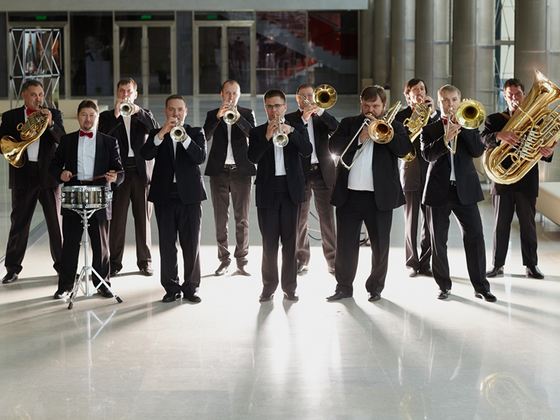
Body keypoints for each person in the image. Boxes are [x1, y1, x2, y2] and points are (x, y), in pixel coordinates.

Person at [326, 85, 411, 302]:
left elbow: (404, 150)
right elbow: (333, 147)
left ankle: (375, 287)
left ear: (384, 105)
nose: (370, 110)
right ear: (361, 104)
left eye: (375, 106)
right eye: (366, 105)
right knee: (345, 245)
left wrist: (385, 133)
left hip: (379, 198)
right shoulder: (349, 124)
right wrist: (360, 138)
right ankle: (343, 287)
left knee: (380, 246)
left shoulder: (395, 126)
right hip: (349, 196)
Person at [420, 84, 496, 302]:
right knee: (438, 240)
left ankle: (481, 287)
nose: (450, 104)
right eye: (445, 100)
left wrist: (464, 129)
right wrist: (445, 139)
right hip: (438, 190)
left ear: (460, 102)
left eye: (454, 100)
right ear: (439, 102)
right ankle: (443, 286)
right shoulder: (430, 129)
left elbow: (478, 151)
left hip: (465, 191)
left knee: (475, 236)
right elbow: (427, 155)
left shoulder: (469, 125)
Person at [481, 78, 556, 279]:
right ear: (505, 96)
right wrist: (499, 136)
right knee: (500, 225)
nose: (514, 98)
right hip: (502, 180)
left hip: (526, 180)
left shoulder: (537, 119)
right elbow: (482, 139)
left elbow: (545, 150)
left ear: (524, 95)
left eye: (518, 94)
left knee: (528, 225)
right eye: (510, 95)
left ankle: (531, 265)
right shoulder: (495, 120)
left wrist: (548, 152)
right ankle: (497, 265)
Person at [49, 100, 123, 299]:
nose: (88, 119)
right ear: (78, 117)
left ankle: (102, 284)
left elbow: (120, 171)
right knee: (70, 244)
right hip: (74, 195)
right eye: (84, 114)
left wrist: (114, 178)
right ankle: (65, 286)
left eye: (92, 115)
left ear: (97, 117)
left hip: (99, 195)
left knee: (101, 245)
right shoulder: (67, 140)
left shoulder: (109, 142)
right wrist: (61, 174)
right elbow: (54, 166)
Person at [140, 95, 207, 303]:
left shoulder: (196, 132)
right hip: (165, 197)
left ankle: (191, 287)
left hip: (190, 197)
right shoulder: (156, 134)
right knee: (167, 245)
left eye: (179, 110)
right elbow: (146, 154)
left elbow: (200, 157)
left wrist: (184, 138)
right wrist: (162, 133)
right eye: (172, 109)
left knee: (191, 244)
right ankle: (171, 287)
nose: (176, 113)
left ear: (186, 112)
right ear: (165, 111)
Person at [248, 89, 312, 302]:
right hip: (268, 191)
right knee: (269, 244)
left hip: (291, 191)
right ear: (265, 108)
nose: (274, 110)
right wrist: (267, 136)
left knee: (291, 243)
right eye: (269, 106)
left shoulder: (297, 127)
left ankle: (290, 287)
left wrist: (291, 132)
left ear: (285, 107)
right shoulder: (257, 132)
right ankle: (268, 287)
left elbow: (307, 150)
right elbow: (252, 157)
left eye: (277, 106)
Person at [0, 80, 64, 284]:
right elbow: (2, 145)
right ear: (24, 95)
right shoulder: (10, 117)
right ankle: (12, 268)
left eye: (41, 94)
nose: (38, 98)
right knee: (19, 223)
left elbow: (62, 140)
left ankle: (62, 266)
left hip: (48, 176)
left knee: (56, 223)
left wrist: (51, 123)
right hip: (22, 175)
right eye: (34, 94)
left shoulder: (54, 114)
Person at [98, 78, 159, 278]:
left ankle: (145, 262)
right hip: (119, 174)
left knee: (143, 220)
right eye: (122, 91)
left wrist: (139, 112)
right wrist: (117, 115)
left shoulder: (144, 114)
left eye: (129, 91)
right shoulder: (107, 116)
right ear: (117, 93)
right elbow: (101, 139)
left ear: (135, 94)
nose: (125, 94)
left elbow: (156, 132)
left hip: (141, 174)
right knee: (117, 221)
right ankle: (115, 263)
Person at [203, 80, 256, 276]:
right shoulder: (212, 115)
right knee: (220, 220)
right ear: (222, 94)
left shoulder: (247, 113)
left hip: (241, 172)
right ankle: (224, 260)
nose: (231, 97)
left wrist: (239, 118)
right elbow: (204, 136)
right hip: (219, 172)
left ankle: (242, 261)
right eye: (228, 93)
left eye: (235, 93)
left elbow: (253, 136)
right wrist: (218, 118)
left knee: (242, 219)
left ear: (239, 95)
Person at [285, 84, 339, 276]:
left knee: (328, 219)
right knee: (300, 219)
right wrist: (304, 119)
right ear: (297, 98)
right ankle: (301, 259)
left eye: (310, 95)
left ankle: (333, 260)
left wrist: (321, 112)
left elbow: (337, 129)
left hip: (323, 173)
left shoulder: (322, 118)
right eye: (303, 95)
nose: (307, 98)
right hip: (301, 174)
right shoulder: (291, 119)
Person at [395, 78, 440, 278]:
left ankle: (425, 263)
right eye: (415, 89)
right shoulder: (401, 116)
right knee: (411, 221)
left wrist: (433, 113)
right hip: (411, 170)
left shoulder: (434, 115)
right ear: (408, 95)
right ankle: (411, 262)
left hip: (431, 172)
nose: (420, 92)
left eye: (422, 88)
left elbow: (440, 136)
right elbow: (398, 141)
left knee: (429, 222)